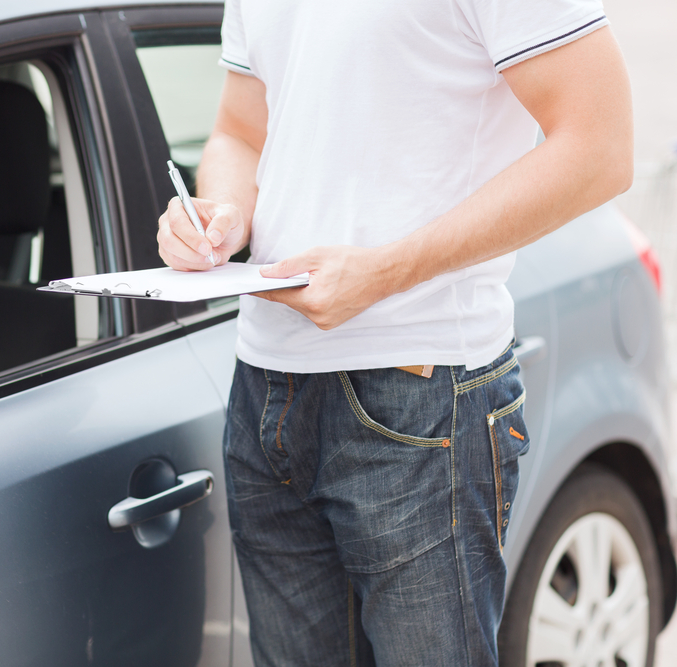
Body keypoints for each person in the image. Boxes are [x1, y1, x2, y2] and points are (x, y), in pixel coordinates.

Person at [156, 0, 633, 665]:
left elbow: (601, 146)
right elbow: (239, 132)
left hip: (424, 392)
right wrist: (223, 214)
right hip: (266, 388)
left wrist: (385, 272)